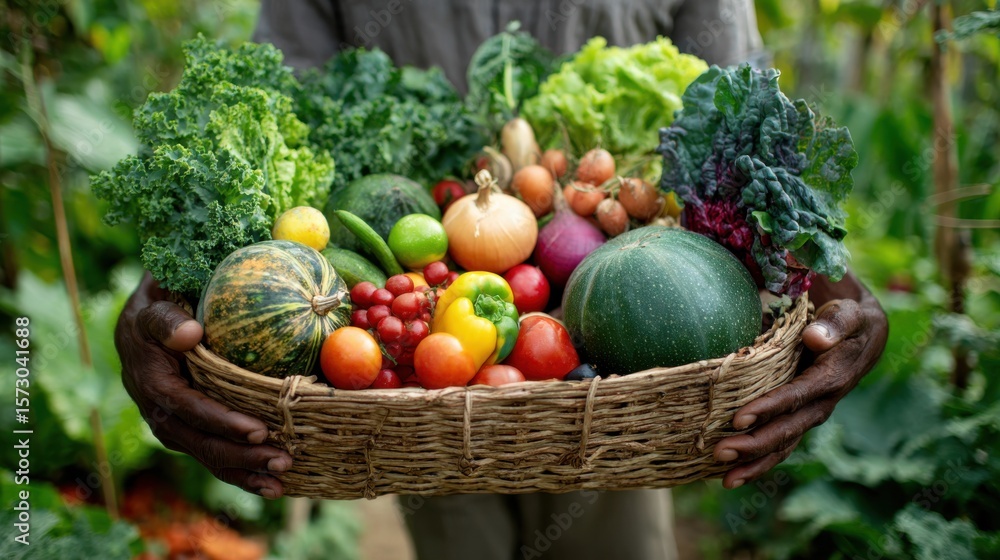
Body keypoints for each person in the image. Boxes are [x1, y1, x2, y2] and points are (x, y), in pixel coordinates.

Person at [116, 1, 889, 559]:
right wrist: (189, 276)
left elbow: (745, 119)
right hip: (421, 379)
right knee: (457, 532)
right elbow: (273, 110)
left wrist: (817, 265)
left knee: (615, 536)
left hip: (633, 360)